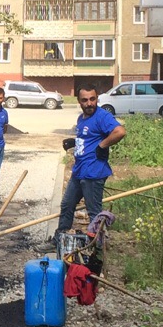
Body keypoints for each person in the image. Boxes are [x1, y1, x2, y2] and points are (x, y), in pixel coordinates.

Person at [55, 82, 126, 239]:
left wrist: (103, 145)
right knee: (67, 205)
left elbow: (120, 131)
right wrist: (75, 142)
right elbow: (89, 137)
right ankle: (59, 239)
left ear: (97, 98)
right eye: (85, 100)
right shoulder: (82, 118)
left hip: (94, 173)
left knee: (94, 213)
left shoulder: (102, 116)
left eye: (92, 99)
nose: (89, 103)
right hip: (79, 171)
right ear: (79, 101)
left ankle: (95, 250)